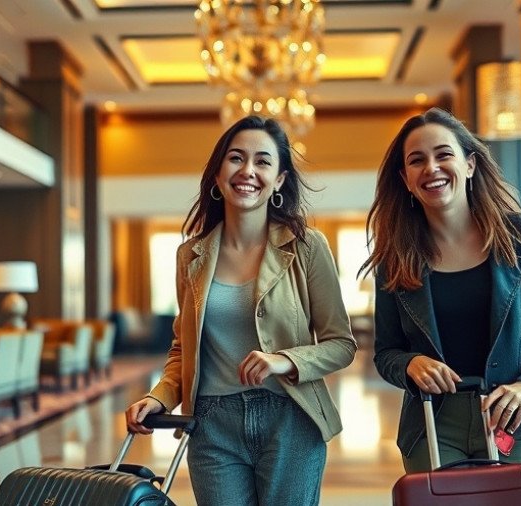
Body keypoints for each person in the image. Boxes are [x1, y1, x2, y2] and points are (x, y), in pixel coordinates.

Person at [125, 115, 356, 506]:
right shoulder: (190, 256)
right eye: (236, 158)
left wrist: (284, 360)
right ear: (218, 174)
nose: (248, 170)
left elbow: (341, 344)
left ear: (280, 180)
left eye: (263, 161)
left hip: (291, 419)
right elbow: (184, 348)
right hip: (212, 426)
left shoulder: (307, 247)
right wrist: (161, 396)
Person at [359, 107, 521, 473]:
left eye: (444, 154)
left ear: (470, 165)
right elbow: (386, 353)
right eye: (417, 161)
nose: (431, 168)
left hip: (512, 420)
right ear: (405, 178)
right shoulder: (395, 258)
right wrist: (410, 363)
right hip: (431, 425)